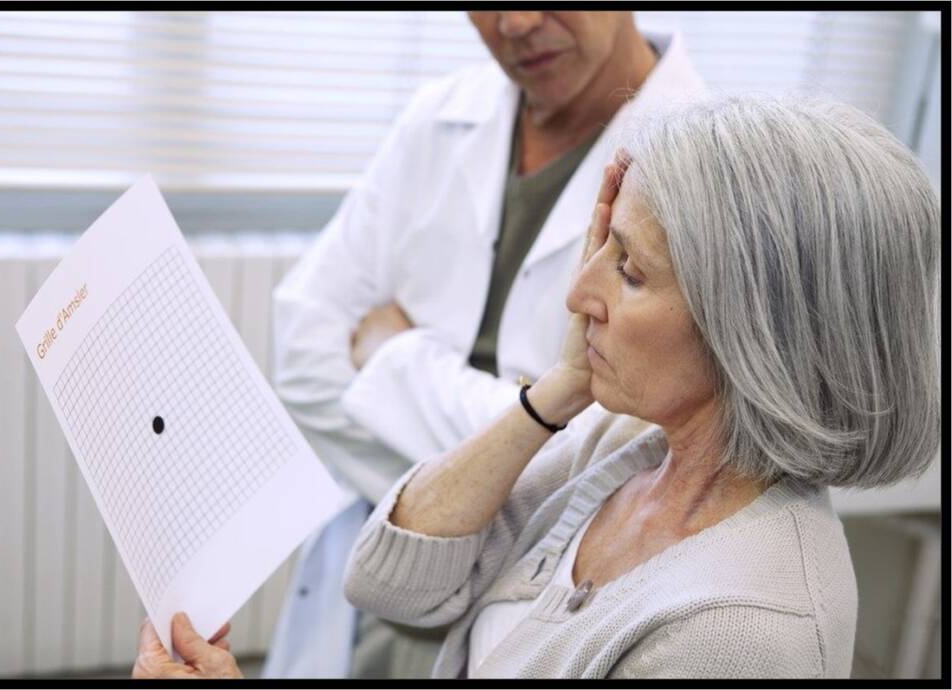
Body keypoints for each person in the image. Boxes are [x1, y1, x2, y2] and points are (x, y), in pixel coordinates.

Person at [132, 93, 939, 679]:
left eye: (626, 268)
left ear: (753, 330)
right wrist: (557, 388)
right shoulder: (627, 443)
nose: (578, 293)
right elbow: (389, 581)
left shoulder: (741, 634)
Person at [263, 11, 704, 678]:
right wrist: (524, 437)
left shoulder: (713, 173)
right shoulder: (437, 117)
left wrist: (394, 358)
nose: (516, 22)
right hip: (372, 604)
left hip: (534, 631)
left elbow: (633, 462)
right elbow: (301, 354)